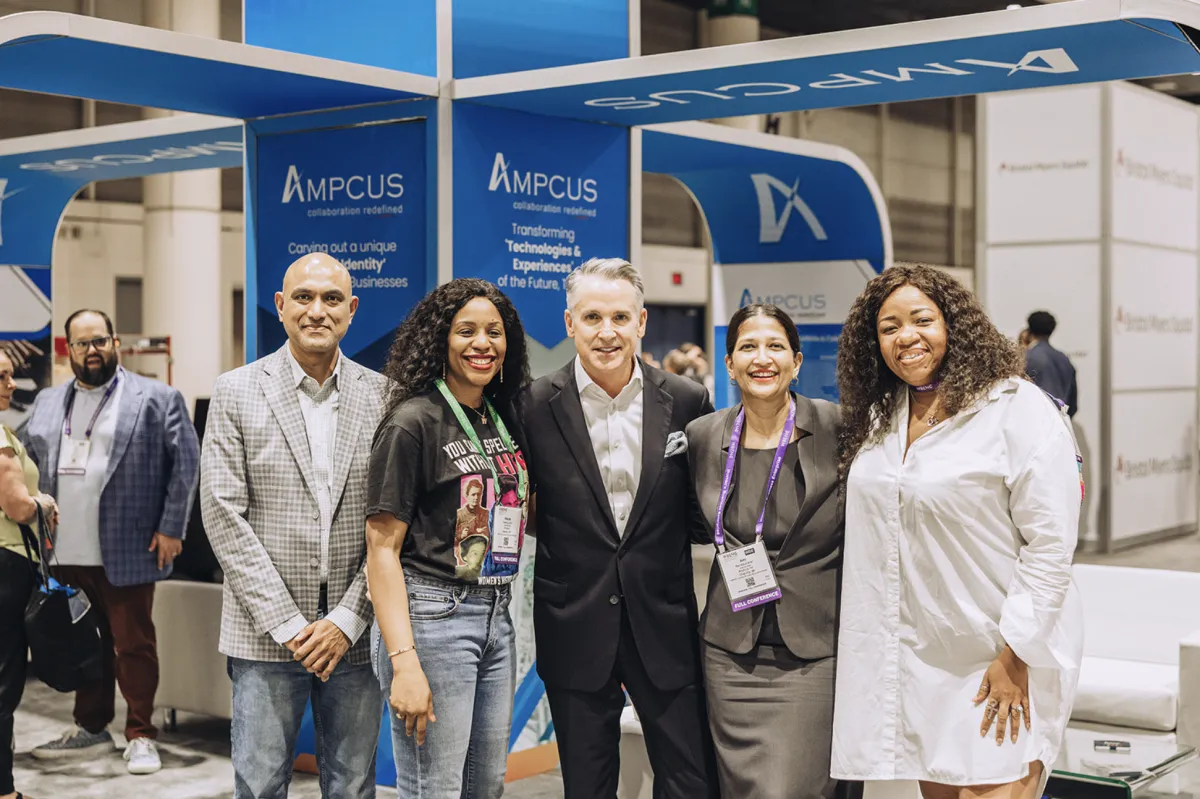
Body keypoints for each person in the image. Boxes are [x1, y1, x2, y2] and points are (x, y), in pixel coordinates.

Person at [831, 264, 1083, 799]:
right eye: (889, 327)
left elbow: (1050, 546)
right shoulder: (881, 416)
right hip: (920, 663)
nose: (906, 337)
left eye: (922, 320)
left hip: (997, 660)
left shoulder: (1015, 407)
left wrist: (1016, 656)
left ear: (954, 325)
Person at [514, 258, 720, 799]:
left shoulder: (688, 401)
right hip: (573, 623)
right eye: (592, 317)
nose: (607, 332)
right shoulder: (531, 405)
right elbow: (525, 508)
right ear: (569, 323)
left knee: (691, 781)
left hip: (665, 623)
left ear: (641, 322)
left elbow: (699, 505)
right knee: (588, 785)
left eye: (620, 318)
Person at [200, 253, 385, 799]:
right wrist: (288, 625)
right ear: (280, 306)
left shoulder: (384, 396)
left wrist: (347, 619)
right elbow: (222, 513)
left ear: (352, 310)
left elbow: (395, 522)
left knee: (354, 786)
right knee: (260, 786)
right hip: (264, 634)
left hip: (354, 635)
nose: (317, 310)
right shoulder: (235, 390)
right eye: (303, 297)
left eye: (331, 299)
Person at [365, 278, 531, 799]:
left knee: (486, 785)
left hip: (496, 613)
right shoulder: (413, 421)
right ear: (441, 339)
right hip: (432, 618)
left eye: (494, 332)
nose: (482, 343)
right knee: (434, 789)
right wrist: (403, 661)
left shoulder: (499, 418)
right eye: (466, 331)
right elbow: (381, 551)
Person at [20, 309, 200, 775]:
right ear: (69, 350)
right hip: (64, 548)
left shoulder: (156, 398)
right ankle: (91, 727)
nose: (92, 351)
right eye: (82, 344)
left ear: (115, 342)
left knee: (133, 645)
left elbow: (185, 465)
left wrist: (172, 528)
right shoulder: (47, 401)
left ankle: (141, 734)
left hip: (129, 546)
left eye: (99, 341)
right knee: (84, 643)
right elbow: (25, 458)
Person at [686, 304, 846, 799]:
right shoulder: (703, 435)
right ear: (729, 364)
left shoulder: (840, 428)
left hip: (815, 652)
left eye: (775, 346)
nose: (762, 358)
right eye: (747, 347)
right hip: (730, 653)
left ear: (796, 362)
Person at [0, 349, 58, 799]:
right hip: (6, 564)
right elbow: (18, 506)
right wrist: (46, 503)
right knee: (4, 682)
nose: (11, 384)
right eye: (2, 376)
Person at [1023, 310, 1077, 417]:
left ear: (1029, 329)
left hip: (1036, 419)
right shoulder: (1064, 359)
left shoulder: (1026, 358)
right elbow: (1073, 404)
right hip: (1061, 419)